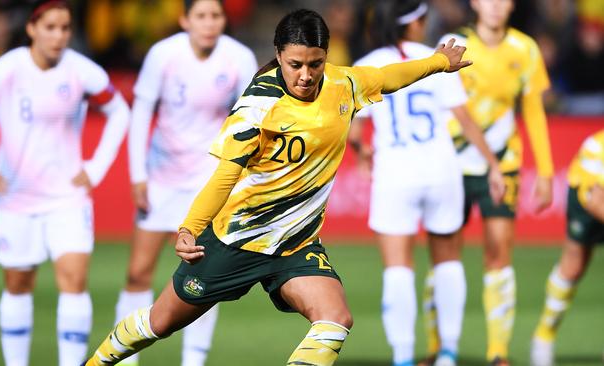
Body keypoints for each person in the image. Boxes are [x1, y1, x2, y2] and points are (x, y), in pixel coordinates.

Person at [83, 8, 471, 366]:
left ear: (326, 56)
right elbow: (224, 177)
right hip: (237, 241)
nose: (305, 75)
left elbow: (387, 77)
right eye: (295, 64)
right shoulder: (258, 106)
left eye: (315, 64)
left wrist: (439, 63)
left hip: (295, 245)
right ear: (278, 55)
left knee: (335, 319)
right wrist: (188, 227)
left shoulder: (342, 84)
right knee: (160, 323)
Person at [0, 1, 129, 366]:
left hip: (67, 197)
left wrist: (95, 168)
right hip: (16, 197)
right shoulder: (9, 69)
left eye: (65, 28)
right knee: (18, 285)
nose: (59, 35)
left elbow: (118, 110)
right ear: (33, 29)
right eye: (50, 27)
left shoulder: (80, 71)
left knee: (74, 282)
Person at [349, 2, 505, 366]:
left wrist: (362, 152)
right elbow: (464, 118)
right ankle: (448, 353)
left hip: (395, 174)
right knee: (448, 261)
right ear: (417, 22)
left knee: (398, 268)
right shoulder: (437, 57)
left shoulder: (368, 63)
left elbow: (354, 129)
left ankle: (403, 357)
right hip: (440, 170)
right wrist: (493, 164)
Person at [116, 0, 258, 365]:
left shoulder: (239, 58)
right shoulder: (163, 55)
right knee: (138, 272)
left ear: (224, 20)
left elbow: (251, 118)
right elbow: (142, 111)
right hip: (162, 178)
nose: (209, 24)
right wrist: (137, 175)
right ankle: (126, 357)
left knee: (201, 278)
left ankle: (193, 361)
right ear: (184, 19)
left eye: (216, 16)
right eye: (201, 16)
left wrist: (242, 178)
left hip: (209, 184)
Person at [421, 1, 556, 365]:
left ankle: (498, 353)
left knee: (499, 254)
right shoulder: (454, 42)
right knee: (444, 258)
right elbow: (433, 100)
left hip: (503, 167)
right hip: (451, 165)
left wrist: (544, 171)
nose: (495, 6)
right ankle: (438, 349)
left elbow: (533, 110)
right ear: (475, 4)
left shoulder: (525, 48)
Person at [529, 130, 604, 366]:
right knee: (573, 268)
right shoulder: (597, 147)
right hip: (588, 200)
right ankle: (544, 335)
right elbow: (594, 201)